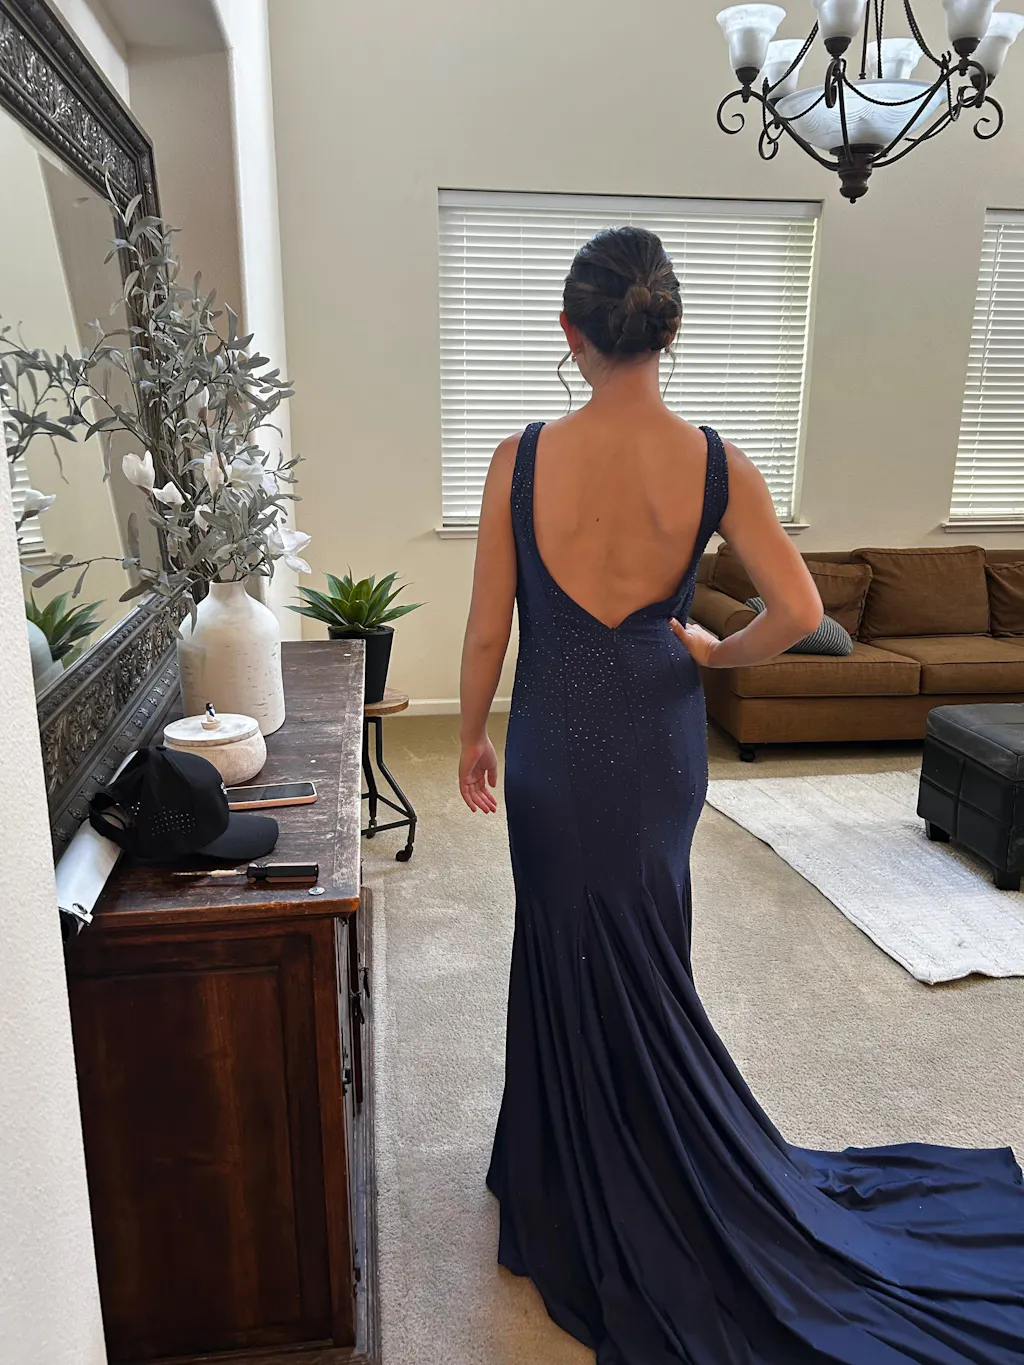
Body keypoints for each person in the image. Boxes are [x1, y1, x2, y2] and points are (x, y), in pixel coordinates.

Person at [458, 225, 1024, 1364]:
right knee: (647, 943)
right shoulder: (717, 462)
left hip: (554, 749)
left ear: (570, 334)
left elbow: (485, 632)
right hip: (659, 741)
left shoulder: (517, 459)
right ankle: (636, 1141)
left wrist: (470, 734)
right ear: (669, 331)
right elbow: (799, 610)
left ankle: (564, 1165)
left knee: (559, 934)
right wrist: (717, 655)